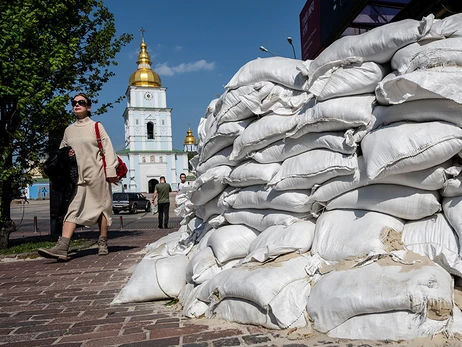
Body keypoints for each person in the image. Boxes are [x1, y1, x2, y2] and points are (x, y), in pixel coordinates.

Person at [38, 93, 119, 261]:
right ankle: (63, 246)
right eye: (74, 102)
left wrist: (110, 171)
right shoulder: (69, 130)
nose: (77, 104)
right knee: (72, 209)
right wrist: (67, 153)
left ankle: (102, 242)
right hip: (76, 178)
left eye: (81, 102)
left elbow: (108, 148)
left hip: (97, 176)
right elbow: (61, 152)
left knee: (102, 209)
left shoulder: (96, 126)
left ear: (88, 107)